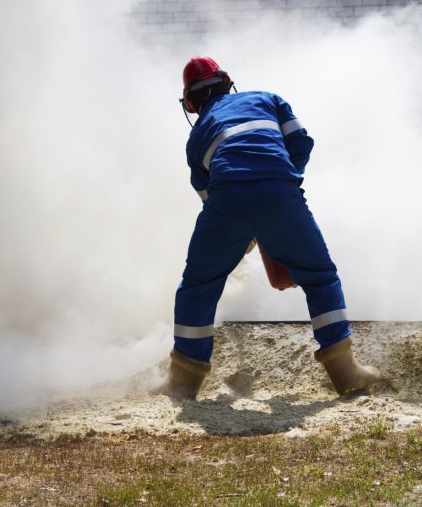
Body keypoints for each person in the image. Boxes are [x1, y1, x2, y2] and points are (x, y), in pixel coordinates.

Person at [162, 56, 381, 400]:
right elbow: (301, 143)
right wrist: (283, 184)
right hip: (282, 194)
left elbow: (209, 195)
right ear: (227, 82)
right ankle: (346, 372)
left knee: (198, 285)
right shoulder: (268, 99)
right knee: (320, 276)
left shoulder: (197, 138)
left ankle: (182, 383)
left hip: (227, 202)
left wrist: (245, 232)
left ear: (190, 102)